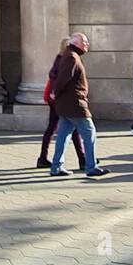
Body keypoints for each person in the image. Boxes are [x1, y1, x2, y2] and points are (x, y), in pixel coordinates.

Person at [49, 32, 107, 178]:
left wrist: (57, 95)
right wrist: (56, 92)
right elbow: (62, 78)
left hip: (67, 105)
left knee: (63, 135)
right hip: (75, 104)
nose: (87, 44)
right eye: (84, 42)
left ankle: (56, 167)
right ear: (76, 43)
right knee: (90, 133)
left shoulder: (70, 55)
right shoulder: (72, 57)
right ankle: (91, 166)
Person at [38, 37, 87, 170]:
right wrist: (56, 93)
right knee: (79, 130)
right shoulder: (67, 58)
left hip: (56, 98)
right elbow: (60, 79)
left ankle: (44, 158)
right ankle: (83, 160)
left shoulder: (61, 58)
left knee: (56, 128)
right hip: (60, 99)